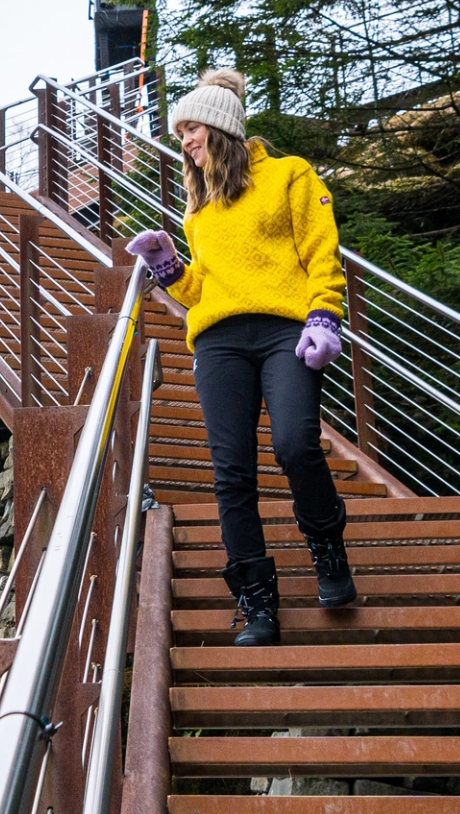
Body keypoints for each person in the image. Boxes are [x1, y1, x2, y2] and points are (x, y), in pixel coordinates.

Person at [122, 69, 354, 647]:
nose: (184, 141)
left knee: (295, 443)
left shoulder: (290, 175)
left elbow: (322, 252)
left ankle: (327, 547)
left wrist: (325, 314)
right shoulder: (199, 213)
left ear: (221, 128)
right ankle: (256, 602)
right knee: (232, 475)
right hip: (219, 342)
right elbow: (200, 291)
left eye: (191, 128)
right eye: (180, 134)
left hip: (285, 332)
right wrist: (168, 266)